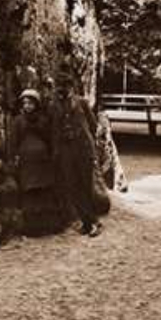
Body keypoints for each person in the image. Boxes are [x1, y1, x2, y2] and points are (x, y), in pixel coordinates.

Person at [52, 78, 107, 237]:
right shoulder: (55, 106)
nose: (61, 90)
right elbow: (55, 130)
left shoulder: (81, 103)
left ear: (71, 87)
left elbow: (93, 125)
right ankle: (87, 221)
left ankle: (94, 222)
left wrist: (92, 147)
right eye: (59, 87)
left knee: (85, 185)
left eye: (64, 86)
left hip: (82, 149)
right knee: (72, 186)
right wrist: (56, 151)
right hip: (66, 150)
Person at [10, 89, 65, 236]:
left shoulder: (43, 120)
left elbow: (49, 138)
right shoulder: (18, 121)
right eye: (25, 103)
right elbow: (14, 141)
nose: (27, 106)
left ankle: (47, 225)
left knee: (43, 191)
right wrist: (15, 156)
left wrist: (51, 154)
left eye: (30, 103)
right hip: (26, 161)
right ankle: (32, 228)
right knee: (30, 191)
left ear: (36, 104)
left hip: (42, 161)